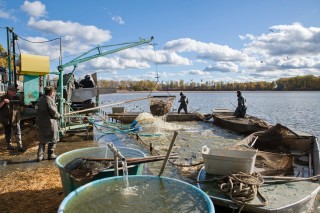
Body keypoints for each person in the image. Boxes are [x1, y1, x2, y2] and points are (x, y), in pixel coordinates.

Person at [36, 86, 60, 161]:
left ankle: (40, 156)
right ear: (51, 92)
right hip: (50, 123)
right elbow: (53, 112)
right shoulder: (49, 100)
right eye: (53, 92)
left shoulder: (40, 99)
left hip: (41, 122)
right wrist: (59, 115)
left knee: (42, 140)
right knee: (53, 138)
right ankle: (51, 154)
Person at [0, 86, 25, 151]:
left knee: (18, 132)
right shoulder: (2, 97)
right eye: (13, 91)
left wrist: (9, 101)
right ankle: (9, 145)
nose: (15, 92)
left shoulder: (17, 97)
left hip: (15, 118)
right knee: (8, 132)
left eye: (15, 91)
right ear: (9, 91)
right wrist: (3, 102)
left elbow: (20, 103)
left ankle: (20, 146)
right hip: (6, 119)